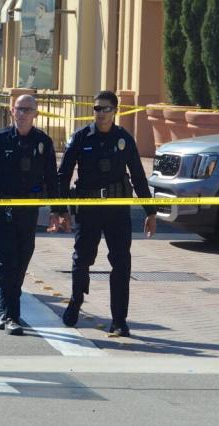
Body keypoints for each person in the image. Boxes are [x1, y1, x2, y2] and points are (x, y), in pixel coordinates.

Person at [52, 90, 157, 338]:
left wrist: (150, 211)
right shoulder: (80, 137)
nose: (100, 113)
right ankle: (76, 302)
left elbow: (139, 177)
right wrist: (60, 209)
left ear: (115, 111)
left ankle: (119, 320)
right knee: (82, 259)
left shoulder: (124, 139)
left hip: (117, 210)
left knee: (121, 263)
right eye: (97, 108)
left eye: (105, 109)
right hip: (88, 208)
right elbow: (63, 175)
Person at [0, 95, 63, 336]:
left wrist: (56, 211)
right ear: (12, 111)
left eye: (27, 109)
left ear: (36, 114)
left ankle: (6, 310)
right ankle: (11, 315)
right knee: (6, 263)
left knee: (21, 261)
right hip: (3, 209)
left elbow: (52, 178)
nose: (22, 113)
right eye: (19, 109)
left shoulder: (43, 141)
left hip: (29, 210)